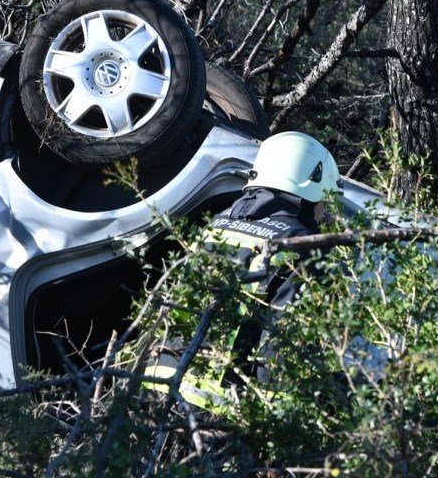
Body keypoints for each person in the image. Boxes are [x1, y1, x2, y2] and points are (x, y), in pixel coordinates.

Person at [142, 132, 340, 409]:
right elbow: (282, 342)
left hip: (158, 378)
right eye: (326, 201)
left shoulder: (220, 221)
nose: (326, 212)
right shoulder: (304, 244)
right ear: (313, 190)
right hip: (217, 402)